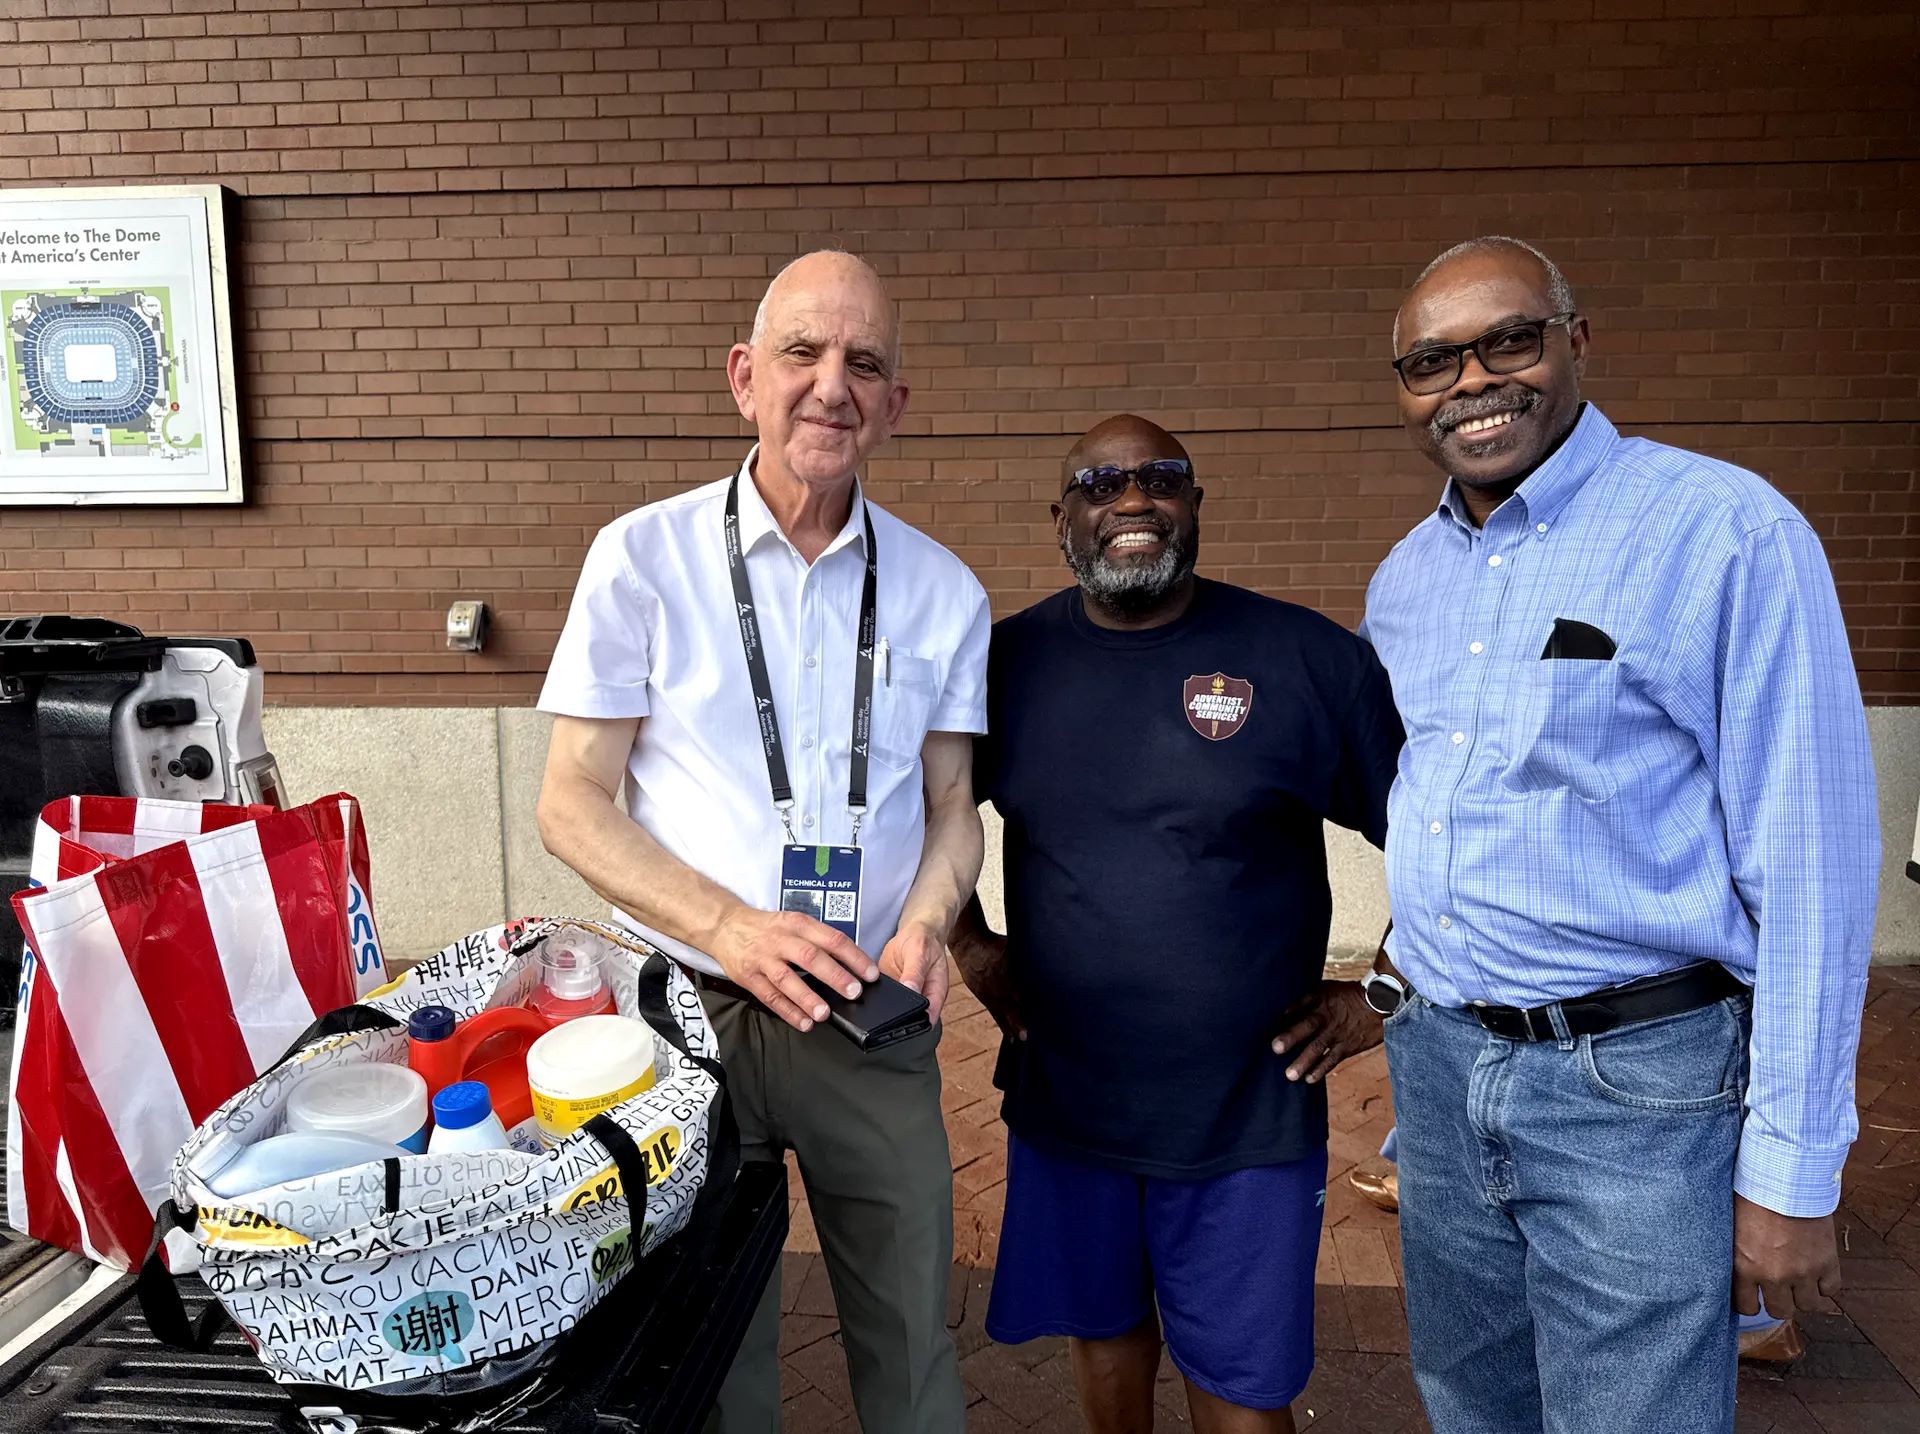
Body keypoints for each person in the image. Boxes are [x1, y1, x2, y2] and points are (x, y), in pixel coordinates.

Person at [1359, 235, 1878, 1432]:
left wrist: (1795, 1172)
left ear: (1576, 342)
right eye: (1432, 361)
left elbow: (1812, 867)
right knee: (1473, 1401)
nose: (1473, 381)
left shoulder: (1723, 532)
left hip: (1635, 1090)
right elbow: (1445, 813)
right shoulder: (1408, 578)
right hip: (1441, 1074)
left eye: (1510, 340)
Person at [535, 250, 987, 1433]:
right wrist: (728, 927)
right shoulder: (640, 558)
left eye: (865, 362)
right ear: (746, 377)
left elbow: (952, 810)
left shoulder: (944, 592)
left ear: (897, 404)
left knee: (910, 1344)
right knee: (706, 1355)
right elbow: (570, 799)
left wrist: (930, 922)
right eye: (803, 352)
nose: (831, 385)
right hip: (690, 1009)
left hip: (865, 1008)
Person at [952, 415, 1404, 1434]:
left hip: (1246, 1109)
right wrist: (974, 947)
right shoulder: (1005, 665)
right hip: (1071, 1094)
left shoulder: (1302, 659)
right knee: (1106, 1341)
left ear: (1198, 504)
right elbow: (920, 821)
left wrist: (1386, 985)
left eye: (1161, 478)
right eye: (1101, 483)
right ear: (1060, 516)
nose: (1133, 500)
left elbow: (1438, 835)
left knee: (1243, 1390)